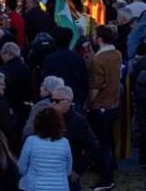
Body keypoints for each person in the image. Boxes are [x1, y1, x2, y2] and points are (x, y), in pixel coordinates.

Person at [86, 24, 121, 191]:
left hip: (101, 106)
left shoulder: (98, 60)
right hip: (114, 103)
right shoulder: (117, 54)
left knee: (102, 143)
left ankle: (106, 179)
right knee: (109, 140)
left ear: (99, 39)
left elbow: (96, 86)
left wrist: (89, 103)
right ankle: (111, 167)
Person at [49, 86, 98, 191]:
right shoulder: (48, 118)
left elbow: (93, 147)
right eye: (51, 100)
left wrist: (78, 170)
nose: (53, 103)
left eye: (57, 101)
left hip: (68, 175)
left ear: (68, 101)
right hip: (48, 173)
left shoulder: (78, 122)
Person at [17, 105, 71, 191]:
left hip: (34, 187)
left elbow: (21, 168)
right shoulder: (65, 143)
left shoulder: (31, 141)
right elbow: (68, 171)